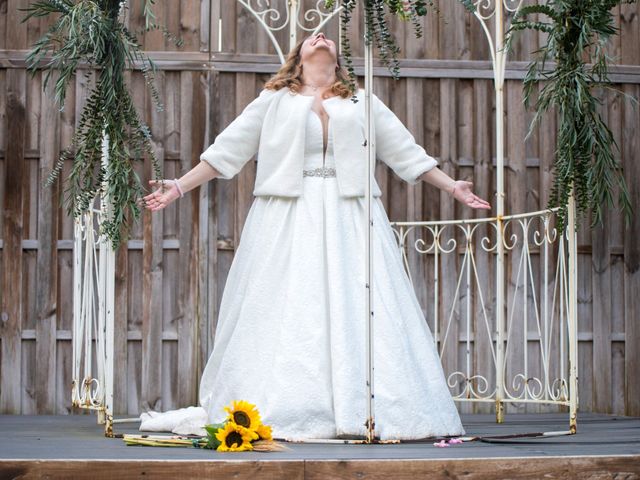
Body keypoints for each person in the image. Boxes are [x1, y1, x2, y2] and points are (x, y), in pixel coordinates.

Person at [143, 32, 490, 441]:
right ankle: (288, 404)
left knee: (359, 301)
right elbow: (226, 152)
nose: (320, 36)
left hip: (351, 215)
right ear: (298, 57)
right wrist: (179, 187)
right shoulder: (273, 102)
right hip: (288, 213)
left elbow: (406, 153)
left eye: (326, 36)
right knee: (290, 302)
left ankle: (367, 406)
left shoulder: (363, 102)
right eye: (311, 37)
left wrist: (453, 187)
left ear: (338, 60)